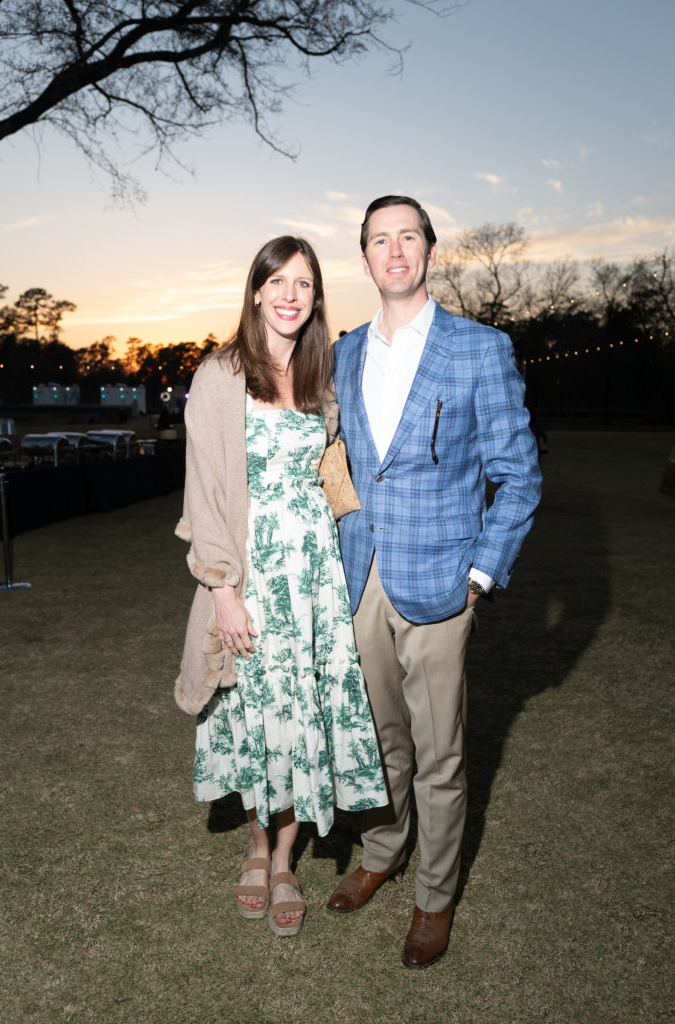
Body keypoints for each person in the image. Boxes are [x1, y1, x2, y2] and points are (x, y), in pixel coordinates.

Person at [327, 197, 542, 968]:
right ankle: (381, 851)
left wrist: (481, 574)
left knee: (439, 753)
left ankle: (435, 895)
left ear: (428, 249)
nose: (394, 251)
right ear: (364, 257)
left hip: (443, 582)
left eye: (407, 237)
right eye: (379, 240)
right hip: (361, 579)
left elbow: (518, 477)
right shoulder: (344, 352)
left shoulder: (480, 348)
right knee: (381, 741)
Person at [175, 236, 387, 937]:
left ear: (316, 296)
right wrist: (225, 590)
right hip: (249, 574)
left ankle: (289, 857)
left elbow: (335, 474)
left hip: (313, 577)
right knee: (254, 712)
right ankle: (257, 847)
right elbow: (204, 493)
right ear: (257, 291)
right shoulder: (219, 376)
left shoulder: (323, 378)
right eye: (279, 282)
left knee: (302, 715)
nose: (291, 295)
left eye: (305, 283)